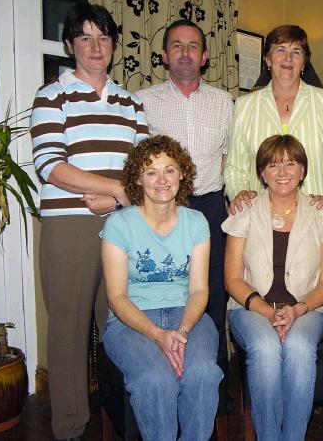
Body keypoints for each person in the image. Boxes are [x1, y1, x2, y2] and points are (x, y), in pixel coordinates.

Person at [30, 2, 148, 440]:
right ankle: (70, 427)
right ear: (69, 44)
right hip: (69, 227)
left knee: (122, 326)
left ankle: (122, 420)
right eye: (85, 38)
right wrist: (115, 189)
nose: (96, 47)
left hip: (122, 226)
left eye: (103, 38)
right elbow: (50, 164)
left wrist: (119, 198)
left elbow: (145, 168)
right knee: (69, 328)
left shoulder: (130, 101)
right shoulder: (51, 96)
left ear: (114, 45)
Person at [136, 19, 233, 418]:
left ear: (205, 56)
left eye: (193, 45)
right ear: (164, 55)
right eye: (176, 45)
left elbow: (229, 157)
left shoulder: (225, 102)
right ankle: (167, 380)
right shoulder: (142, 101)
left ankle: (211, 391)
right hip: (161, 206)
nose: (185, 52)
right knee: (164, 292)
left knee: (212, 293)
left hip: (210, 204)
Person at [100, 135, 222, 441]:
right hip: (132, 320)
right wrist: (157, 335)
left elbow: (198, 291)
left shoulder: (196, 222)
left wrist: (181, 331)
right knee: (156, 380)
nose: (161, 179)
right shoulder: (119, 224)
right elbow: (116, 297)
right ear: (138, 179)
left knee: (204, 373)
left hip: (188, 316)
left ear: (182, 174)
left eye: (169, 169)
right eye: (151, 171)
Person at [223, 134, 323, 441]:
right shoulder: (244, 211)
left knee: (300, 349)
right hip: (250, 307)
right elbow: (232, 278)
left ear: (303, 170)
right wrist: (267, 311)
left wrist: (298, 309)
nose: (283, 171)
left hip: (306, 308)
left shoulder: (322, 214)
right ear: (262, 172)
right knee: (265, 349)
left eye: (291, 163)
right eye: (273, 164)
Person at [224, 24, 323, 224]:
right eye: (280, 50)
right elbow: (234, 168)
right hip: (260, 219)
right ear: (268, 59)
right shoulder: (245, 106)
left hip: (317, 221)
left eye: (296, 52)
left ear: (304, 63)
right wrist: (241, 194)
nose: (288, 58)